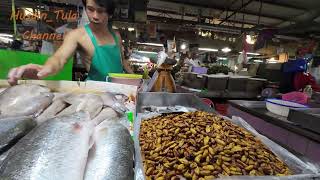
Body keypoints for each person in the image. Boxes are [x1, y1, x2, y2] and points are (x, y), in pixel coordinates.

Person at [7, 0, 133, 85]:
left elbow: (122, 62)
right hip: (96, 94)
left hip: (121, 90)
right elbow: (59, 58)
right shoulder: (77, 35)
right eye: (90, 9)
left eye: (100, 11)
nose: (94, 16)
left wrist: (138, 80)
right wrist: (44, 69)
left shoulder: (116, 34)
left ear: (110, 14)